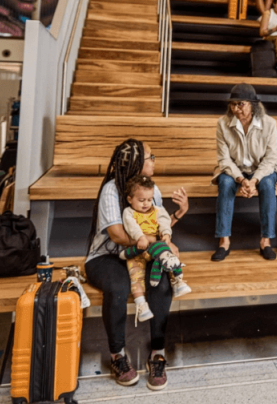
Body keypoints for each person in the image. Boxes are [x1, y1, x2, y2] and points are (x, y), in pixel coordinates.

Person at [84, 139, 190, 391]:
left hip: (142, 255)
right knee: (119, 287)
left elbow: (158, 225)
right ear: (136, 163)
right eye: (151, 157)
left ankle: (157, 353)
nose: (154, 161)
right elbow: (119, 235)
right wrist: (160, 244)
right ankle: (117, 356)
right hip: (107, 256)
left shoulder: (153, 190)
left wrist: (177, 215)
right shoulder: (112, 189)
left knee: (162, 283)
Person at [212, 84, 277, 262]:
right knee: (226, 183)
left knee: (268, 184)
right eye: (233, 104)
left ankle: (266, 241)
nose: (236, 109)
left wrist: (254, 181)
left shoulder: (269, 124)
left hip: (262, 170)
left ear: (253, 104)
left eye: (240, 104)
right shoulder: (223, 124)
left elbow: (270, 159)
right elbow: (224, 160)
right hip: (235, 170)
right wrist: (241, 179)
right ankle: (224, 242)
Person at [117, 176, 191, 325]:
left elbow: (164, 222)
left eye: (149, 199)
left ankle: (177, 281)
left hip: (154, 248)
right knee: (136, 274)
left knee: (166, 256)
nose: (146, 204)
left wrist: (166, 234)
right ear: (130, 199)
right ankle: (141, 304)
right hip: (137, 250)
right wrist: (140, 237)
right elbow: (131, 226)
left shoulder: (157, 210)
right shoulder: (128, 212)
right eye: (141, 200)